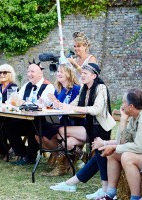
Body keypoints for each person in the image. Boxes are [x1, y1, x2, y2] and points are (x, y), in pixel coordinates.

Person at [50, 63, 116, 200]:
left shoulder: (101, 87)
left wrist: (69, 107)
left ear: (94, 75)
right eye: (82, 72)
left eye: (85, 73)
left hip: (101, 128)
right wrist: (60, 105)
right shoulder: (84, 89)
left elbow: (96, 109)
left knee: (100, 155)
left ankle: (98, 188)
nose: (82, 75)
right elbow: (74, 105)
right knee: (98, 157)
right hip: (90, 127)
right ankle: (79, 180)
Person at [95, 88, 142, 200]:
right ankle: (110, 193)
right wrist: (123, 119)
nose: (122, 105)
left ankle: (135, 198)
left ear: (131, 106)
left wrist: (115, 146)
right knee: (114, 153)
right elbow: (121, 142)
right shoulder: (134, 117)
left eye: (123, 102)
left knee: (127, 157)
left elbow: (140, 147)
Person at [4, 60, 55, 165]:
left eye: (32, 72)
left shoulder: (48, 86)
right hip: (27, 118)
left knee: (34, 127)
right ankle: (22, 154)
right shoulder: (27, 85)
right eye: (28, 72)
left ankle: (31, 157)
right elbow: (14, 98)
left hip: (42, 121)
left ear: (40, 73)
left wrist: (23, 102)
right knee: (8, 125)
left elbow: (43, 105)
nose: (29, 74)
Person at [34, 63, 80, 167]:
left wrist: (55, 101)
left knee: (45, 133)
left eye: (61, 72)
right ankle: (61, 159)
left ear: (69, 74)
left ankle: (64, 160)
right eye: (58, 71)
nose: (58, 74)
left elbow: (71, 109)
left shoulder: (76, 89)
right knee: (38, 134)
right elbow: (54, 107)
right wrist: (45, 104)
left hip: (70, 122)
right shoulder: (59, 89)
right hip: (58, 121)